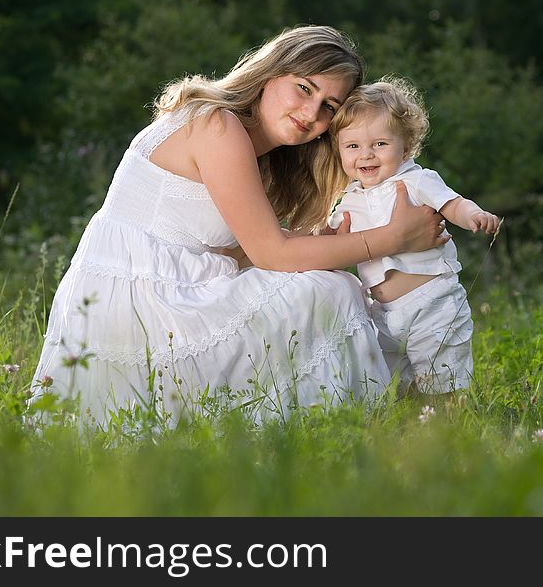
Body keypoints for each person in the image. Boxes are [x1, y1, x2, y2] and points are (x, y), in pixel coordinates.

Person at [26, 26, 448, 428]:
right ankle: (356, 425)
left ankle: (341, 418)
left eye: (329, 108)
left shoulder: (250, 147)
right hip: (143, 307)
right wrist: (392, 238)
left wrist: (325, 241)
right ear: (270, 74)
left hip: (165, 294)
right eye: (304, 88)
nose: (310, 112)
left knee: (321, 279)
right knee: (332, 291)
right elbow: (271, 255)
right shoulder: (217, 125)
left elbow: (239, 252)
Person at [327, 76, 500, 396]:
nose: (366, 155)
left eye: (379, 144)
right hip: (380, 311)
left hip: (431, 301)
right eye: (353, 146)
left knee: (441, 377)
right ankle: (410, 434)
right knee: (395, 383)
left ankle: (448, 425)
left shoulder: (416, 181)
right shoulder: (349, 197)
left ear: (405, 147)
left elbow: (453, 203)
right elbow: (337, 239)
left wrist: (473, 215)